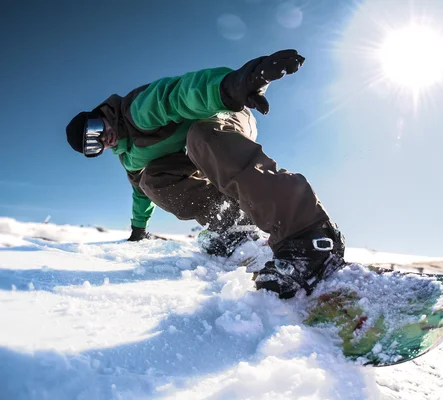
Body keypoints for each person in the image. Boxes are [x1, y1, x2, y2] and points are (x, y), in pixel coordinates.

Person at [65, 49, 345, 299]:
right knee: (152, 181)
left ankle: (309, 235)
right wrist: (138, 230)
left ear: (98, 114)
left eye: (95, 129)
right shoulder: (129, 158)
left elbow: (178, 95)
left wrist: (232, 86)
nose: (102, 139)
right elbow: (141, 195)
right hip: (194, 151)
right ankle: (233, 223)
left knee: (200, 135)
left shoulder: (134, 111)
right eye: (93, 146)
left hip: (221, 109)